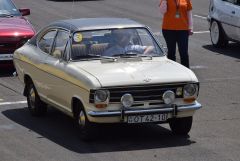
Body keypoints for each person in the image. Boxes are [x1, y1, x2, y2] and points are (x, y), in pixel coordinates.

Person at [159, 0, 193, 68]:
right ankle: (172, 72)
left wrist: (191, 27)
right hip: (168, 30)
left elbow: (189, 13)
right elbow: (162, 11)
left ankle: (186, 73)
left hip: (183, 30)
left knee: (184, 53)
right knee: (171, 53)